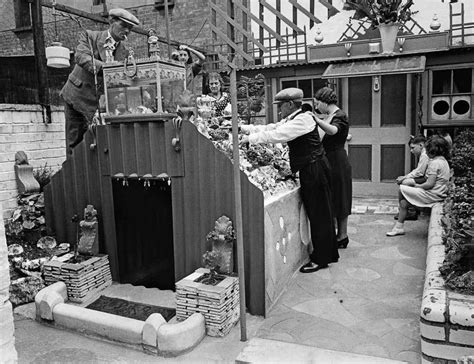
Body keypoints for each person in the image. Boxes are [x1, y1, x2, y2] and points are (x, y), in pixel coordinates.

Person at [240, 88, 339, 273]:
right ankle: (329, 253)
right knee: (322, 212)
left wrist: (250, 139)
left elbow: (279, 135)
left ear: (289, 104)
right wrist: (244, 129)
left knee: (318, 214)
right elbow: (273, 127)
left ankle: (321, 259)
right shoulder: (294, 118)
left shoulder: (303, 119)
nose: (279, 110)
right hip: (312, 167)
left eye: (280, 106)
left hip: (314, 168)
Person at [60, 8, 139, 156]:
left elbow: (125, 78)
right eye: (123, 25)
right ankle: (73, 176)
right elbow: (81, 57)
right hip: (76, 97)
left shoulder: (126, 52)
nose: (127, 31)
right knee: (75, 143)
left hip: (100, 105)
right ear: (112, 22)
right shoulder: (90, 36)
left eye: (130, 29)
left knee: (97, 144)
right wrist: (110, 69)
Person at [312, 87, 352, 249]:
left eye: (317, 103)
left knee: (341, 198)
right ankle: (339, 235)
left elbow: (334, 131)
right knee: (335, 197)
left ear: (323, 101)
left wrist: (316, 120)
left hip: (337, 161)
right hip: (331, 160)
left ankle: (342, 235)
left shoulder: (339, 116)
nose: (316, 107)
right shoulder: (332, 116)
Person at [387, 136, 451, 237]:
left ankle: (409, 212)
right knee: (404, 203)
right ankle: (398, 227)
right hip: (438, 192)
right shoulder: (443, 161)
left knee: (402, 188)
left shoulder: (435, 163)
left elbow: (429, 184)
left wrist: (416, 186)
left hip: (433, 194)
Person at [394, 135, 429, 221]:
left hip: (427, 179)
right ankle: (406, 209)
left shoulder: (425, 155)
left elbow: (419, 172)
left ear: (421, 145)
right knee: (404, 182)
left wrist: (404, 178)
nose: (411, 151)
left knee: (405, 183)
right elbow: (418, 170)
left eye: (413, 148)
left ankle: (410, 211)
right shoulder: (423, 154)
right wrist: (405, 177)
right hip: (425, 177)